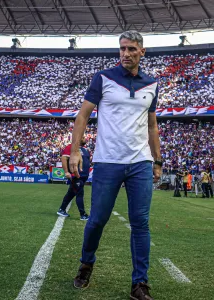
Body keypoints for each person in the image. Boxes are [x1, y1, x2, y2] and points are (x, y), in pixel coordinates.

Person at [69, 31, 161, 300]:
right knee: (97, 220)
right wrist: (75, 152)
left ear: (142, 51)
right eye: (122, 48)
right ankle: (86, 264)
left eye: (132, 49)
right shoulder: (103, 77)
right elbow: (82, 115)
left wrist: (157, 160)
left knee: (141, 223)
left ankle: (140, 284)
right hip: (107, 161)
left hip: (140, 163)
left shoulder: (152, 84)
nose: (126, 53)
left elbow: (152, 125)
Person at [57, 137, 90, 220]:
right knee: (80, 193)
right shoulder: (71, 147)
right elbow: (64, 158)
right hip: (76, 176)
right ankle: (83, 214)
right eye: (82, 137)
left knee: (71, 193)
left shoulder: (84, 149)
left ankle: (62, 209)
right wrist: (67, 172)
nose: (84, 138)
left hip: (83, 176)